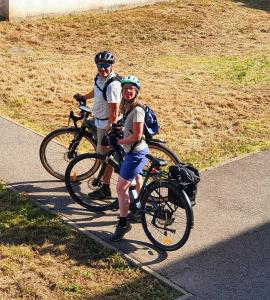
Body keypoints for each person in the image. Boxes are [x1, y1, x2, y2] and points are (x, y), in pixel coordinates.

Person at [75, 50, 122, 199]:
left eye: (106, 66)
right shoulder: (100, 78)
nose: (103, 68)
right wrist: (84, 97)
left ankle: (105, 187)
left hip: (106, 124)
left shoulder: (112, 85)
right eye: (100, 65)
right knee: (104, 154)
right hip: (99, 120)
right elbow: (96, 91)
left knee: (106, 157)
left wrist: (109, 129)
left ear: (111, 65)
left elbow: (114, 109)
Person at [110, 75, 149, 242]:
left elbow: (137, 136)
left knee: (120, 189)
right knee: (138, 179)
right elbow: (128, 127)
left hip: (136, 152)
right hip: (134, 151)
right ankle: (139, 209)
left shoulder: (138, 110)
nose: (128, 91)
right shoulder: (127, 106)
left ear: (136, 91)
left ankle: (123, 223)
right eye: (125, 89)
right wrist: (118, 126)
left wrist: (118, 141)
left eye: (131, 89)